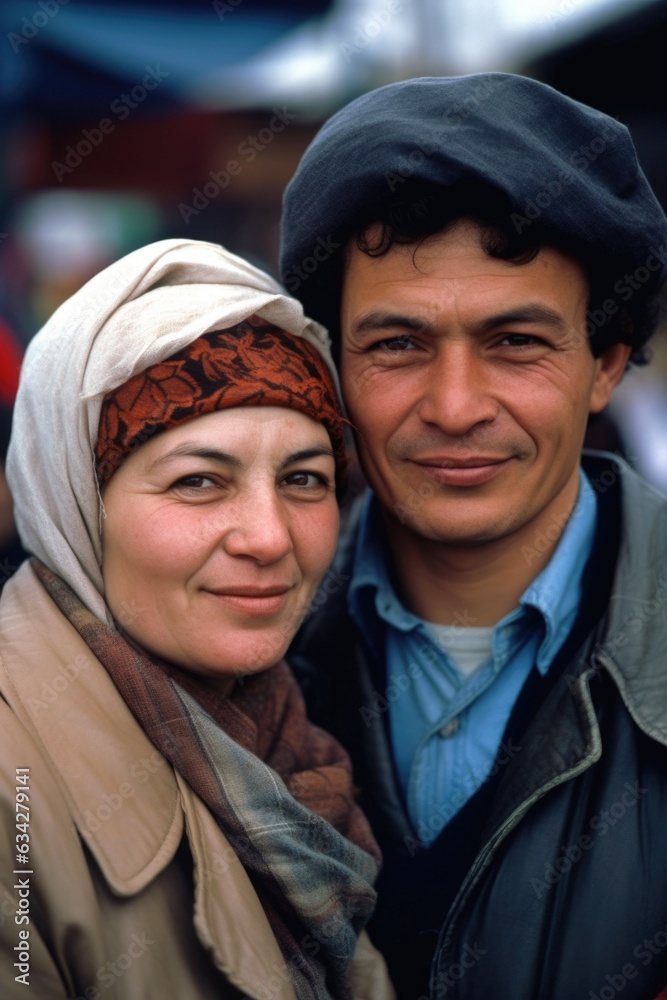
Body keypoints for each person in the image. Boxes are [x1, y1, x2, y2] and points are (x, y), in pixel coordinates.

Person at [280, 73, 667, 999]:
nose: (454, 408)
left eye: (514, 342)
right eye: (397, 345)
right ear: (330, 366)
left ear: (605, 362)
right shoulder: (221, 647)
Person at [0, 239, 395, 1000]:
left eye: (304, 478)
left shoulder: (279, 727)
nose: (270, 536)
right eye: (199, 481)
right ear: (77, 503)